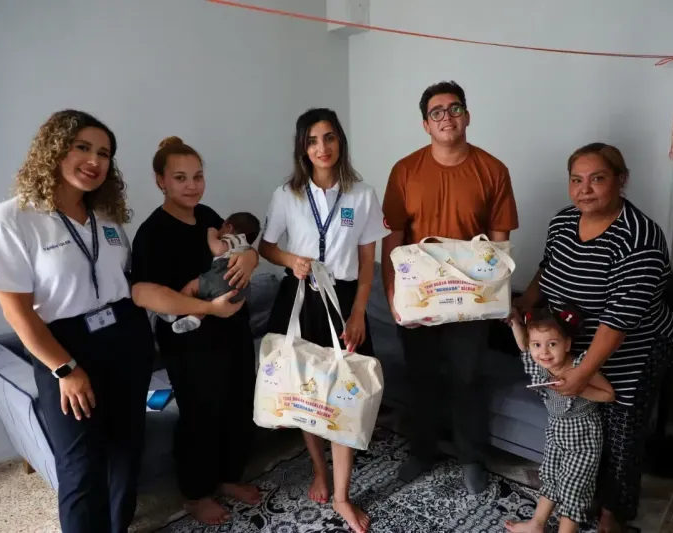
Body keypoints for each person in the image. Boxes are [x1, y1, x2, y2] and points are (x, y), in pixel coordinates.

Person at [0, 109, 155, 533]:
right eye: (83, 147)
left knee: (126, 451)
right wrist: (65, 369)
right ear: (54, 149)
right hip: (66, 347)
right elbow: (16, 311)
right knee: (80, 468)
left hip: (126, 337)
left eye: (104, 153)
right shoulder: (11, 219)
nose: (95, 160)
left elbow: (127, 283)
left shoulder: (106, 217)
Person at [514, 142, 673, 533]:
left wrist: (583, 372)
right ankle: (579, 496)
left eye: (597, 179)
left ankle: (612, 515)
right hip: (574, 345)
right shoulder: (562, 222)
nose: (584, 189)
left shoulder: (639, 238)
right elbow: (547, 269)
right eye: (576, 180)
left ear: (621, 180)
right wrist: (526, 303)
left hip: (634, 349)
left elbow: (617, 323)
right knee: (585, 429)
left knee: (621, 434)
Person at [381, 80, 519, 494]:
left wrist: (499, 300)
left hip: (471, 300)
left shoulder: (493, 170)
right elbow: (393, 239)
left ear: (467, 116)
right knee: (421, 378)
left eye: (455, 108)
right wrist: (393, 297)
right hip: (420, 298)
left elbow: (499, 244)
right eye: (437, 112)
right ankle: (422, 451)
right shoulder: (404, 171)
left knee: (467, 380)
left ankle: (471, 456)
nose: (447, 117)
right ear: (426, 124)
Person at [261, 108, 389, 533]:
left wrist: (359, 312)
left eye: (329, 137)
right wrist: (290, 259)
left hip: (344, 301)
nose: (322, 147)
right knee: (306, 392)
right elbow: (266, 247)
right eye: (313, 140)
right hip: (300, 299)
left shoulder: (363, 194)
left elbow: (368, 260)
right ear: (303, 147)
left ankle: (342, 496)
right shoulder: (286, 194)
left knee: (343, 396)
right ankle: (319, 469)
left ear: (340, 142)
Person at [129, 136, 261, 526]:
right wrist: (207, 309)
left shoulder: (207, 216)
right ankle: (195, 493)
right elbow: (150, 296)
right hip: (189, 340)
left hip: (232, 329)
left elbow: (237, 248)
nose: (191, 185)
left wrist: (250, 258)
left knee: (238, 403)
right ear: (160, 181)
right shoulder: (152, 233)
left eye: (198, 176)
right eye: (180, 177)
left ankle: (228, 476)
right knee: (201, 414)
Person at [505, 307, 615, 533]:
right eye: (537, 345)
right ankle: (537, 524)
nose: (544, 352)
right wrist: (515, 323)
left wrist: (578, 388)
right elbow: (524, 346)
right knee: (551, 475)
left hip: (583, 435)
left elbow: (608, 395)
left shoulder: (580, 367)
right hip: (556, 429)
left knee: (574, 487)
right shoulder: (540, 365)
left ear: (567, 344)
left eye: (552, 344)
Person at [158, 211, 261, 333]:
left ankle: (172, 310)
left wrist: (211, 235)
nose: (219, 229)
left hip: (222, 275)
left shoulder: (233, 238)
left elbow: (218, 250)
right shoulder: (245, 246)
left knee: (192, 287)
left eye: (222, 227)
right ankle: (193, 319)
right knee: (208, 301)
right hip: (239, 290)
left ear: (229, 228)